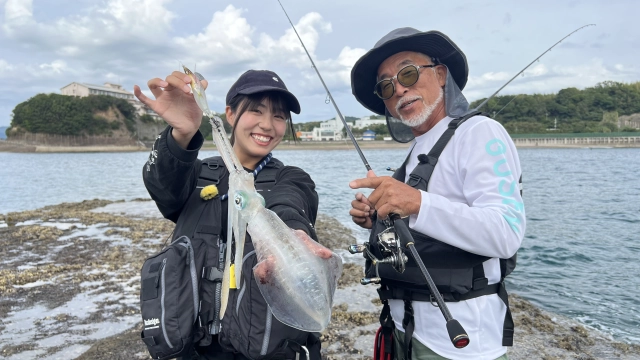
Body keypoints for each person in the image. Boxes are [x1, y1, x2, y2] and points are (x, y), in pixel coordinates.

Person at [348, 28, 525, 360]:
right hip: (400, 330)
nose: (399, 88)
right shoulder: (416, 150)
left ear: (441, 74)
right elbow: (419, 224)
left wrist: (415, 202)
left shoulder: (480, 133)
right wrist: (375, 217)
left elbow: (507, 231)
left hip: (460, 343)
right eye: (387, 85)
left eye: (408, 73)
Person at [134, 69, 323, 359]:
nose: (267, 125)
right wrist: (181, 135)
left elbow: (292, 206)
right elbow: (163, 185)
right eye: (256, 111)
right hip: (194, 350)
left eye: (278, 116)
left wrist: (292, 236)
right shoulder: (194, 175)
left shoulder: (290, 178)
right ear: (230, 115)